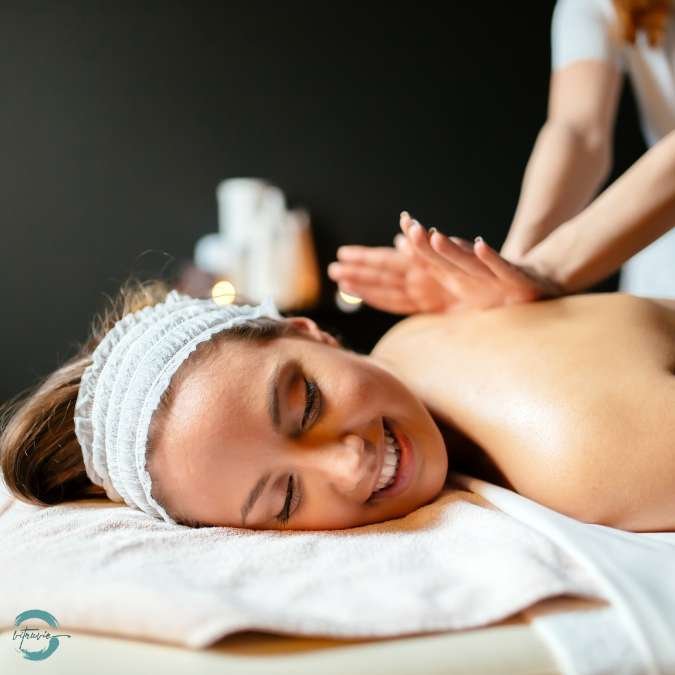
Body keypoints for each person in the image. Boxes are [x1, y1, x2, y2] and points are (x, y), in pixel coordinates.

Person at [1, 276, 674, 533]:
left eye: (307, 405)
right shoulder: (406, 339)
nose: (351, 465)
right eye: (286, 497)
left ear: (310, 330)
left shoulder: (588, 462)